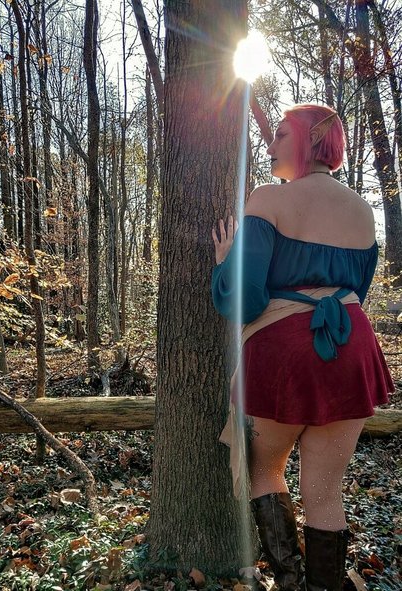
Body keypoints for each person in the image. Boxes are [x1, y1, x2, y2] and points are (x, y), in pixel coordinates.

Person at [211, 104, 394, 591]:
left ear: (310, 139)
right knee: (326, 491)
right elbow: (356, 291)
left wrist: (225, 264)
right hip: (350, 346)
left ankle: (290, 583)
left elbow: (247, 299)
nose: (269, 145)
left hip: (286, 353)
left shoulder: (268, 199)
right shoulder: (363, 211)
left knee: (263, 468)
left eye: (280, 135)